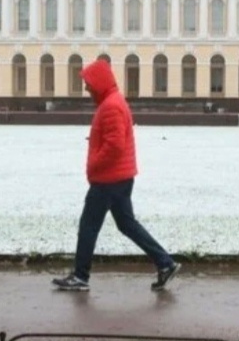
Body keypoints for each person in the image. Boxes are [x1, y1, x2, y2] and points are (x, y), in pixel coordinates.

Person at [52, 58, 181, 292]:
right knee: (127, 224)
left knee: (88, 226)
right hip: (120, 177)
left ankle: (80, 276)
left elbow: (115, 145)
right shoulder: (113, 101)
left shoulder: (111, 106)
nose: (86, 88)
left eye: (89, 84)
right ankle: (165, 263)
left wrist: (94, 164)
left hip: (108, 179)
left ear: (99, 83)